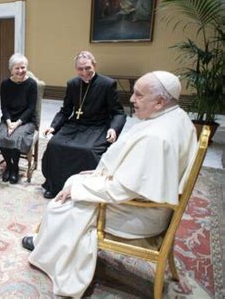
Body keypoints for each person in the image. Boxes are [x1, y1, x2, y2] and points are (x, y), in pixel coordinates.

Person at [22, 71, 197, 298]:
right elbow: (140, 172)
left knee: (65, 200)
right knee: (75, 179)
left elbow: (123, 190)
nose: (132, 99)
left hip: (137, 214)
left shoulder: (158, 137)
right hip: (147, 202)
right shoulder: (177, 117)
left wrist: (78, 188)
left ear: (160, 102)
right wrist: (99, 172)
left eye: (139, 95)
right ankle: (45, 241)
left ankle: (45, 250)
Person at [41, 51, 126, 199]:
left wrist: (114, 129)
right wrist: (54, 126)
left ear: (94, 65)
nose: (84, 72)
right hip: (76, 124)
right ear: (76, 69)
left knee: (88, 151)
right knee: (54, 144)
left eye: (88, 68)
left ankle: (86, 189)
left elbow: (118, 112)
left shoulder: (107, 84)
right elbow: (66, 110)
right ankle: (54, 185)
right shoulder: (73, 84)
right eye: (80, 69)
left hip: (98, 126)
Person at [0, 53, 38, 184]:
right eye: (17, 68)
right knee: (1, 137)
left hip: (26, 120)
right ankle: (9, 165)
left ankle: (15, 167)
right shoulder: (5, 84)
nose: (20, 71)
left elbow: (31, 108)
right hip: (8, 119)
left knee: (15, 138)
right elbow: (4, 107)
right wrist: (9, 123)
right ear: (11, 69)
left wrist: (16, 124)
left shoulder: (32, 84)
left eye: (23, 67)